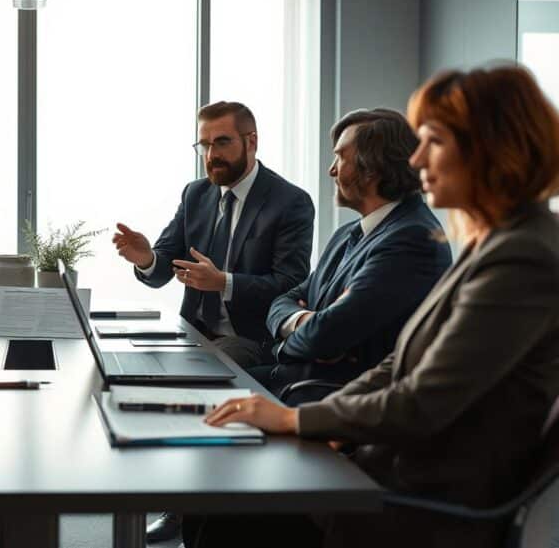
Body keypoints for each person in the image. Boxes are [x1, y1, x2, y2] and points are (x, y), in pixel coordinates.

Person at [187, 64, 559, 548]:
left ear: (492, 147)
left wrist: (298, 420)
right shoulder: (497, 242)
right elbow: (399, 364)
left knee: (229, 509)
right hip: (397, 460)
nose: (417, 157)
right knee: (226, 489)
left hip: (423, 492)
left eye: (435, 141)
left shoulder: (522, 255)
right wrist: (326, 418)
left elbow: (422, 398)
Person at [113, 101, 315, 542]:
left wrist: (224, 282)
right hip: (193, 331)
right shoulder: (196, 194)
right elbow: (164, 265)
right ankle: (176, 498)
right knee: (124, 369)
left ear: (251, 142)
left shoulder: (291, 202)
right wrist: (147, 258)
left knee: (204, 375)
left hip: (252, 337)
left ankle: (189, 512)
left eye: (221, 142)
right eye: (204, 145)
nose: (211, 156)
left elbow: (291, 284)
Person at [257, 109, 452, 400]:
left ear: (372, 168)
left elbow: (325, 338)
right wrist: (303, 321)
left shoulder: (413, 239)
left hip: (325, 398)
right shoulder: (347, 233)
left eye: (340, 157)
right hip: (292, 380)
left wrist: (305, 331)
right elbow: (282, 301)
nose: (331, 170)